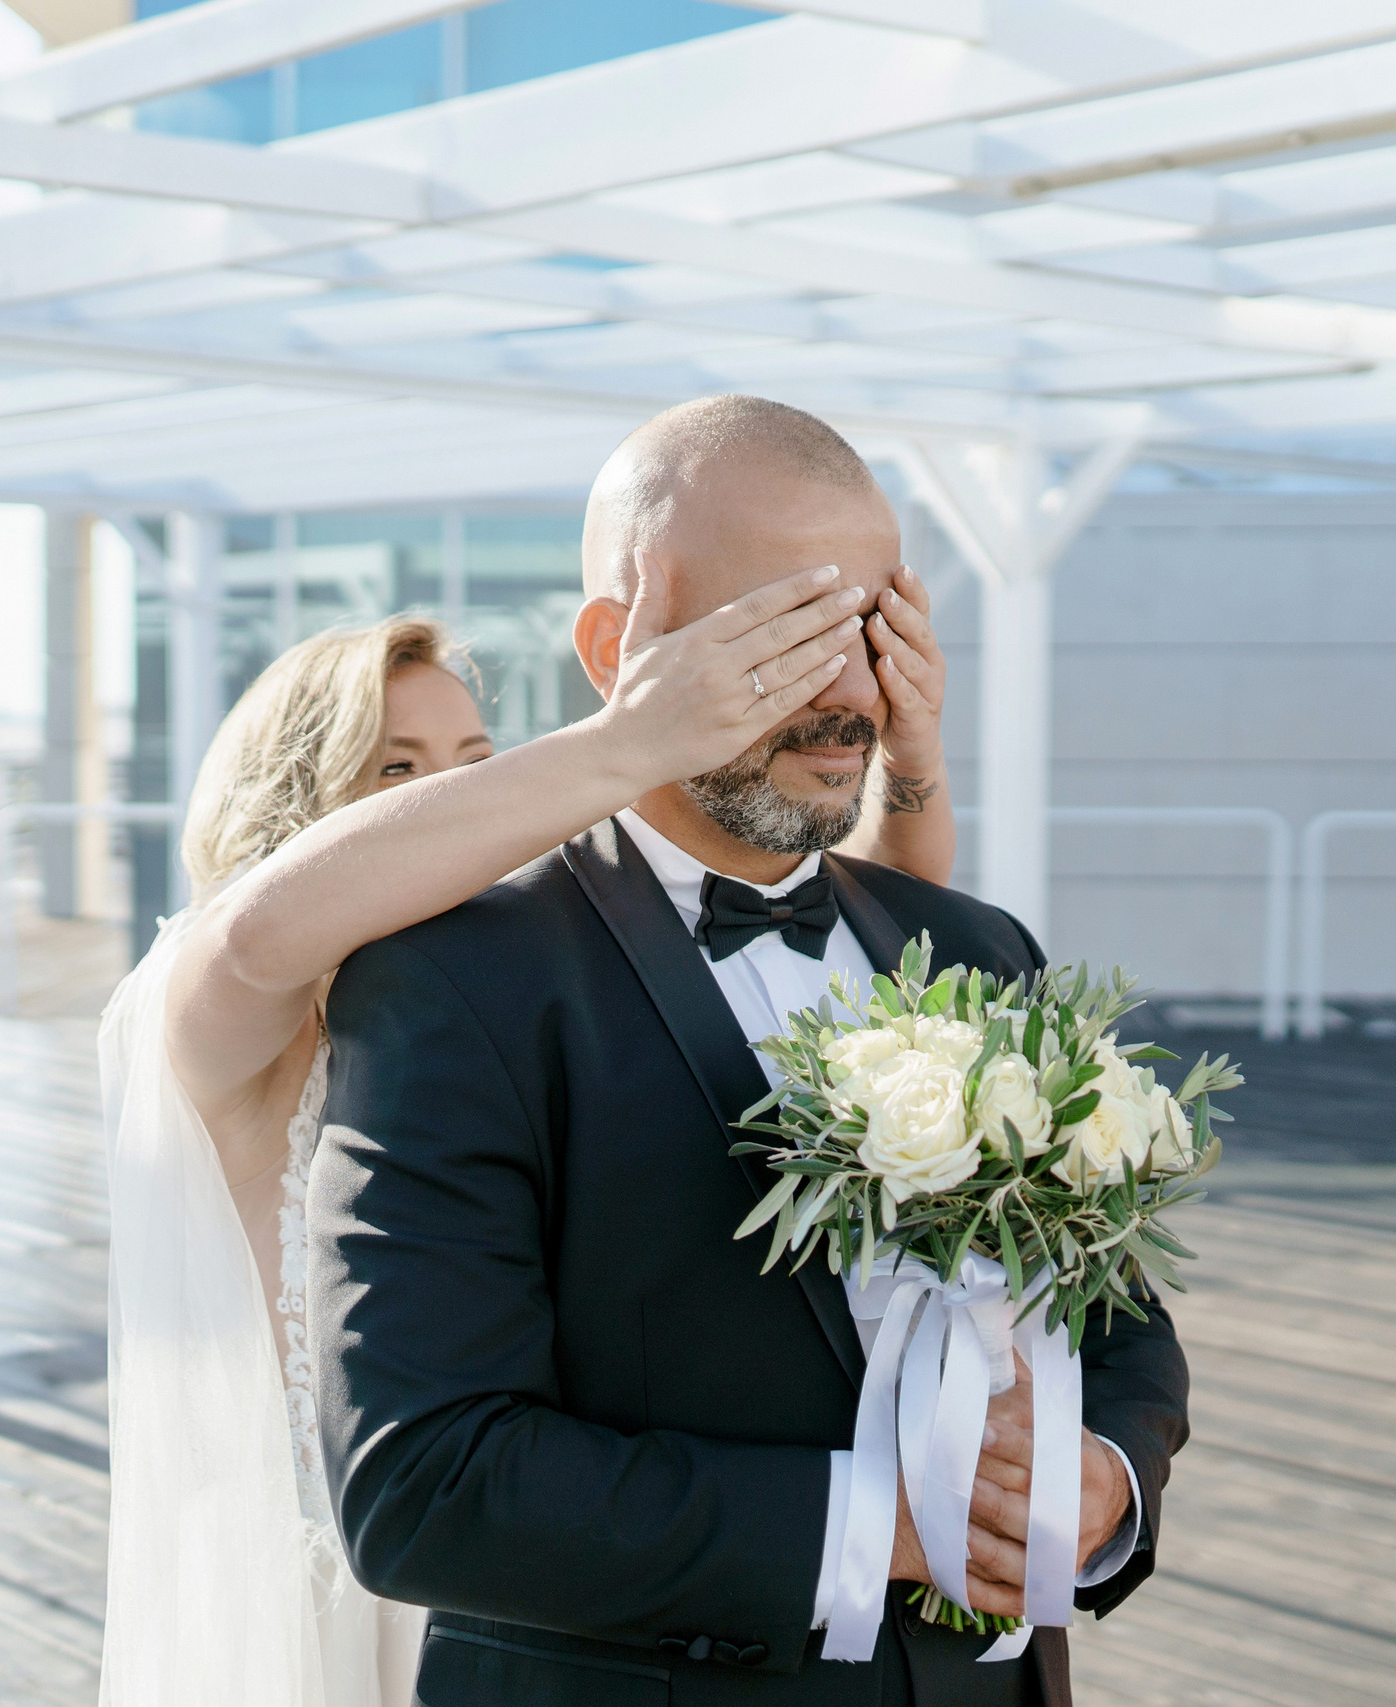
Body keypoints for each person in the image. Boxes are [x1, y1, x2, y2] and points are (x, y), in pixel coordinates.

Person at [308, 396, 1190, 1706]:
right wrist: (884, 1519)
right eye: (785, 633)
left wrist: (1103, 1474)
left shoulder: (977, 943)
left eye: (871, 626)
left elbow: (1119, 1331)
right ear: (619, 645)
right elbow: (423, 1485)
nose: (847, 693)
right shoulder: (450, 977)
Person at [95, 503, 961, 1702]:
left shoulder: (499, 975)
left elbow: (879, 947)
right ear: (289, 796)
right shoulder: (218, 991)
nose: (460, 802)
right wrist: (633, 740)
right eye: (395, 770)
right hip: (364, 1564)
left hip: (549, 1549)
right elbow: (259, 931)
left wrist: (904, 759)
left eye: (473, 761)